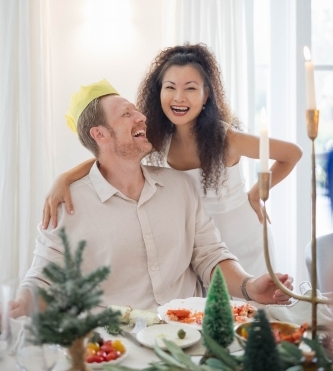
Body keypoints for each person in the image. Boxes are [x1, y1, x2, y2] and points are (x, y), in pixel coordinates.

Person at [11, 80, 293, 317]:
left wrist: (249, 286)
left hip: (190, 332)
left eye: (137, 111)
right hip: (117, 346)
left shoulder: (180, 186)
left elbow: (211, 256)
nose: (142, 117)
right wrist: (19, 305)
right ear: (99, 134)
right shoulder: (67, 205)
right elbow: (43, 278)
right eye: (126, 114)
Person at [42, 44, 303, 278]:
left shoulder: (228, 139)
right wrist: (64, 177)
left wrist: (257, 192)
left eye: (190, 88)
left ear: (206, 96)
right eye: (170, 88)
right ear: (159, 94)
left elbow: (291, 153)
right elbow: (114, 154)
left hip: (245, 243)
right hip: (199, 248)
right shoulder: (156, 138)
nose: (179, 97)